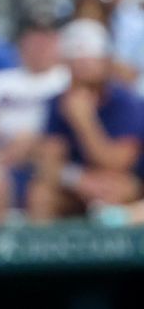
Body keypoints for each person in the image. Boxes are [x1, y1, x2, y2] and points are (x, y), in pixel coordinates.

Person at [0, 6, 69, 224]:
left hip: (46, 158)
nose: (40, 46)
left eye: (46, 39)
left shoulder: (66, 80)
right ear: (22, 43)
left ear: (58, 43)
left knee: (31, 145)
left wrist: (28, 140)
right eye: (34, 39)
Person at [27, 19, 142, 221]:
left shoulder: (127, 103)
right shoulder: (58, 103)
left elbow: (117, 163)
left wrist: (85, 122)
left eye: (91, 60)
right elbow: (48, 164)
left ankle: (114, 250)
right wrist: (79, 180)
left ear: (106, 61)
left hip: (123, 183)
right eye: (77, 61)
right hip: (77, 183)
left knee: (114, 190)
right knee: (40, 194)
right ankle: (41, 251)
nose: (84, 68)